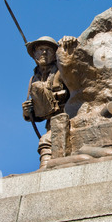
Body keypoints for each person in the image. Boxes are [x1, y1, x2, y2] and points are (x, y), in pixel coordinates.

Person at [22, 36, 69, 169]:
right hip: (51, 121)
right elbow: (40, 112)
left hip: (68, 116)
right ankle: (46, 170)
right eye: (41, 49)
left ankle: (46, 169)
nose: (43, 53)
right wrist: (28, 112)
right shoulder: (34, 78)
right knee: (47, 141)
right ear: (34, 54)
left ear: (55, 54)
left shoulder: (63, 69)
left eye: (48, 50)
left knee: (46, 141)